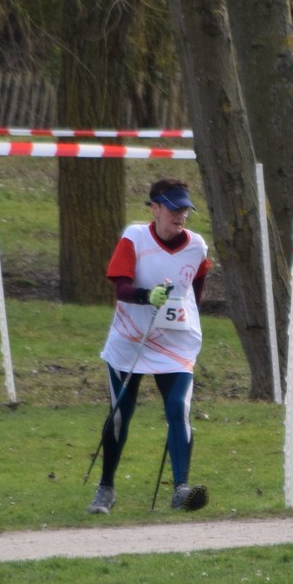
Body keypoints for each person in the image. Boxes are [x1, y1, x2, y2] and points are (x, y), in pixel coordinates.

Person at [87, 177, 212, 515]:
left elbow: (196, 288)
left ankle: (181, 488)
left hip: (175, 345)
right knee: (120, 414)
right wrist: (147, 296)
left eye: (185, 210)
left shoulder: (197, 246)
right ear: (155, 208)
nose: (180, 216)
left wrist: (184, 314)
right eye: (173, 209)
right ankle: (106, 488)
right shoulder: (135, 238)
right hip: (130, 342)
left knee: (178, 408)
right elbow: (121, 289)